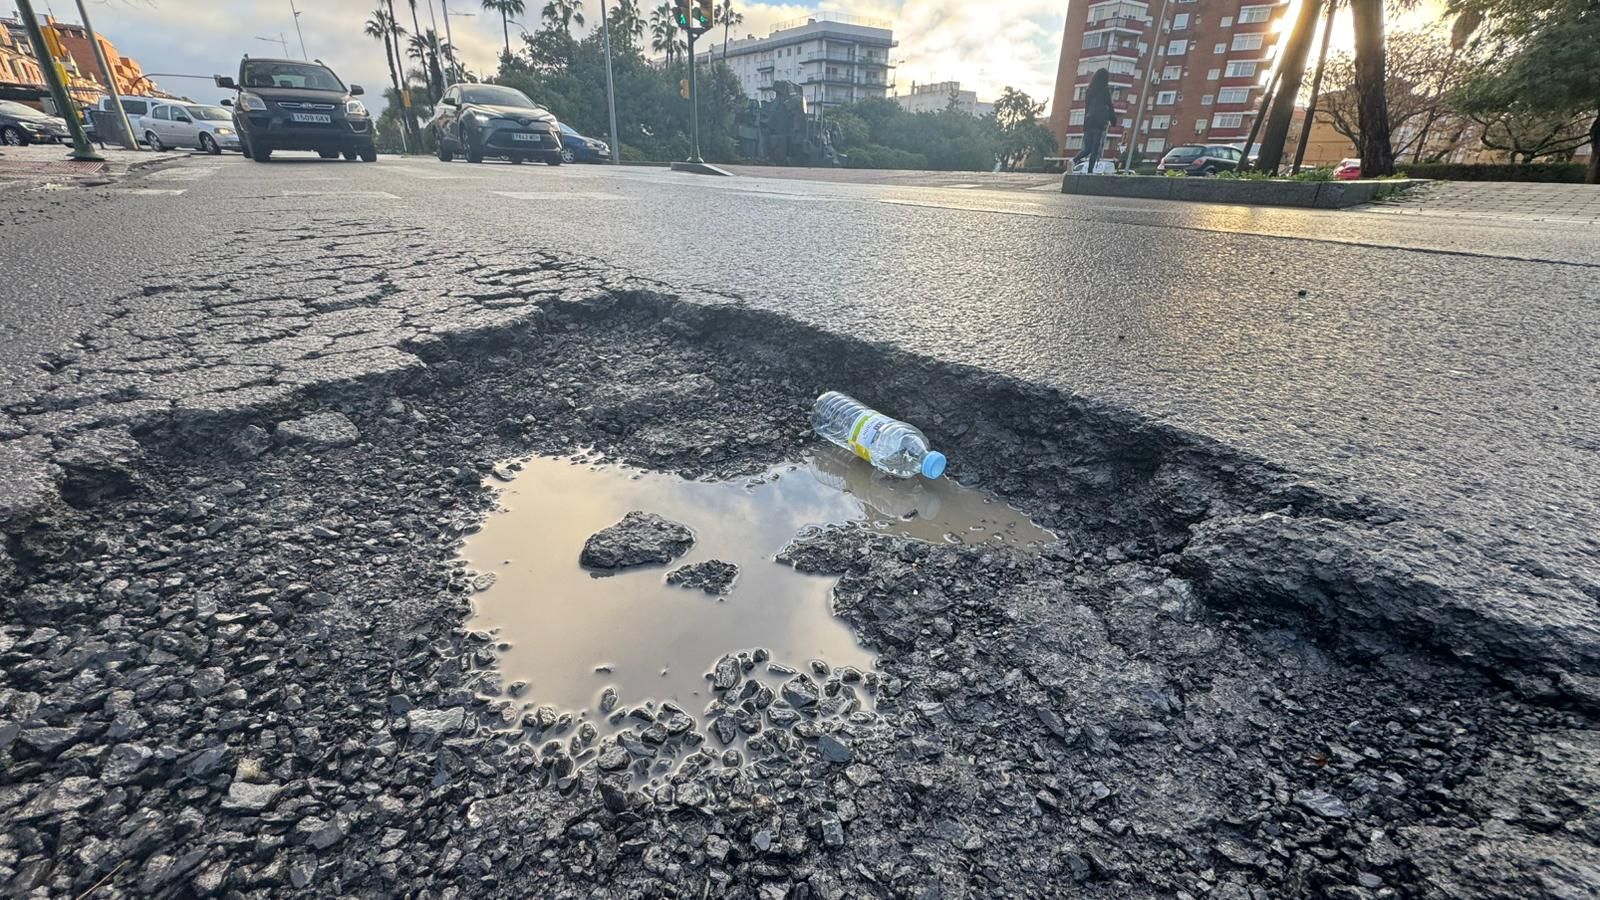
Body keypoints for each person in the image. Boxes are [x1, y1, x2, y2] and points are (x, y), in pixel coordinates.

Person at [1073, 68, 1114, 174]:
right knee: (1094, 149)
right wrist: (1113, 120)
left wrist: (1085, 123)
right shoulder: (1105, 90)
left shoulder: (1089, 90)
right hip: (1099, 124)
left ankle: (1073, 161)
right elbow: (1109, 106)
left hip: (1089, 123)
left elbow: (1087, 107)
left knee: (1087, 149)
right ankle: (1090, 171)